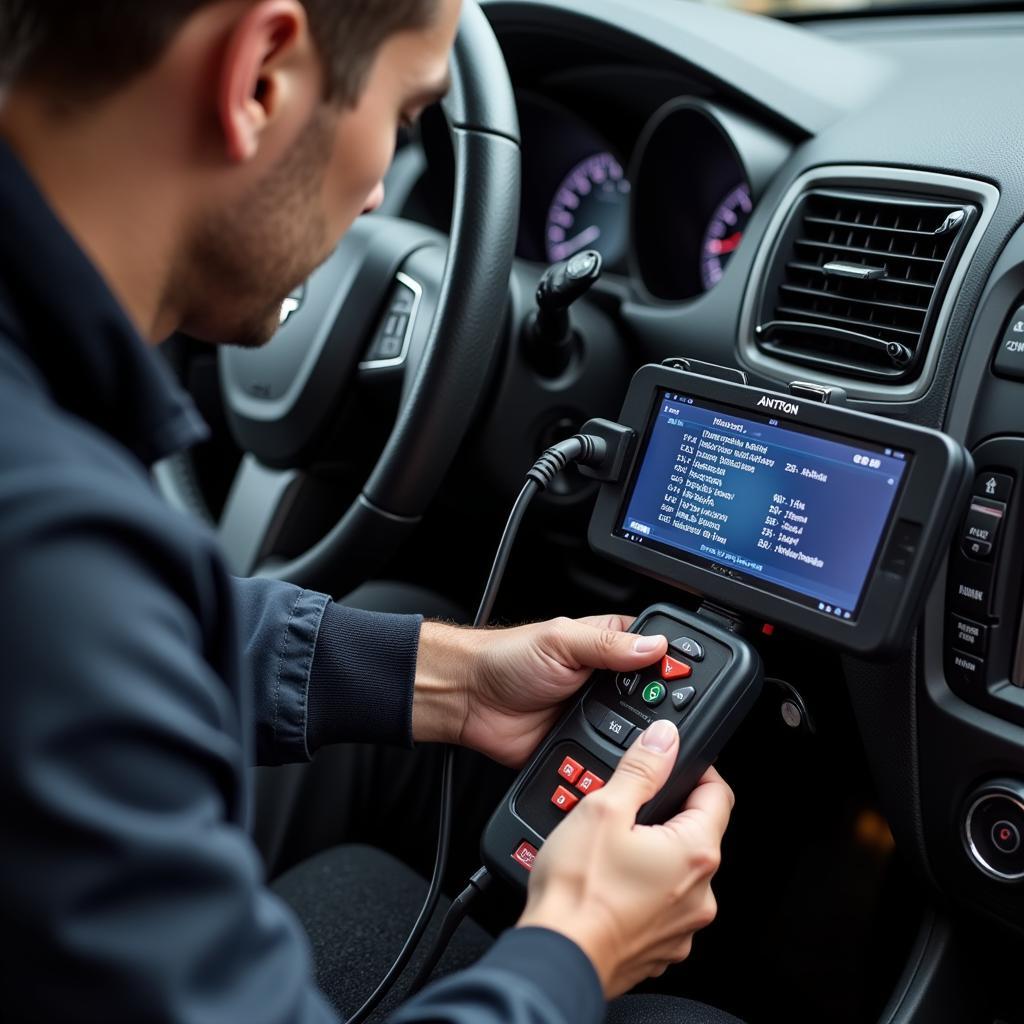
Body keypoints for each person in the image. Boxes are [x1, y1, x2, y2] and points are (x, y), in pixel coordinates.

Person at [0, 2, 738, 1022]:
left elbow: (125, 640)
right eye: (402, 117)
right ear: (259, 77)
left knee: (401, 667)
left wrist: (450, 680)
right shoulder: (51, 547)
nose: (385, 191)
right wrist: (577, 945)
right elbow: (81, 621)